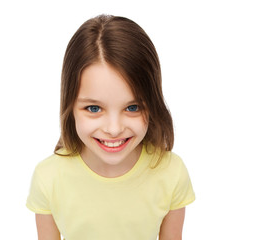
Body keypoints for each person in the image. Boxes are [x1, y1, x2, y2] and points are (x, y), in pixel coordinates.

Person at [26, 14, 195, 240]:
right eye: (94, 109)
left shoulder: (171, 173)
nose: (114, 129)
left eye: (132, 107)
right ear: (70, 106)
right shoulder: (48, 178)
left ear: (153, 104)